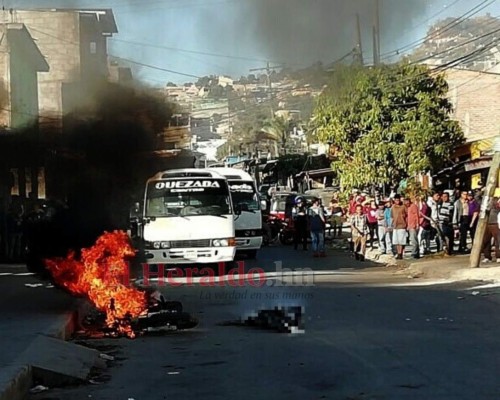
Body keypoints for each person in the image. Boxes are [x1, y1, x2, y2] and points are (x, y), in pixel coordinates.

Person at [482, 197, 500, 263]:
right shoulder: (486, 199)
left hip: (496, 223)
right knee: (485, 240)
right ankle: (487, 257)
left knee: (498, 241)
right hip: (486, 223)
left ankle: (498, 256)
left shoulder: (497, 200)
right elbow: (477, 198)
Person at [391, 194, 407, 259]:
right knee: (396, 241)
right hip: (395, 226)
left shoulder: (403, 206)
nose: (397, 201)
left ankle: (401, 253)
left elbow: (406, 214)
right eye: (396, 200)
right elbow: (392, 216)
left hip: (402, 225)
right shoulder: (393, 207)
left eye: (398, 200)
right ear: (394, 200)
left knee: (401, 241)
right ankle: (398, 253)